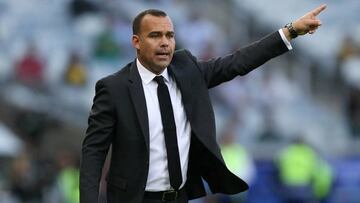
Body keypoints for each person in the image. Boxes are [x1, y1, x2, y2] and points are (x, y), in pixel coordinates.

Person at [80, 5, 326, 203]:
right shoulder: (113, 88)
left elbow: (238, 62)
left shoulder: (188, 70)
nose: (165, 42)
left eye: (169, 35)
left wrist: (290, 31)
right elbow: (93, 152)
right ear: (136, 42)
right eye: (155, 35)